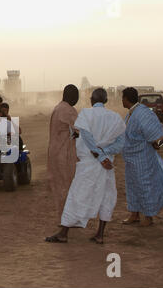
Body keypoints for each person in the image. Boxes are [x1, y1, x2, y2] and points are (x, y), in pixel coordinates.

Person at [46, 88, 126, 244]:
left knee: (76, 196)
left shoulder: (85, 114)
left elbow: (87, 137)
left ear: (91, 100)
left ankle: (63, 233)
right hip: (107, 165)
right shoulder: (116, 118)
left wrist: (99, 153)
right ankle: (100, 234)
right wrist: (105, 153)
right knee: (106, 197)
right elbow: (121, 143)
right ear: (106, 100)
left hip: (90, 162)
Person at [121, 87, 163, 227]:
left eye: (122, 98)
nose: (121, 101)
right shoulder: (131, 113)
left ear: (126, 99)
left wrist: (156, 146)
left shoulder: (143, 113)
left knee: (145, 186)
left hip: (143, 158)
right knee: (132, 187)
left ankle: (148, 216)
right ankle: (134, 214)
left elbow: (158, 137)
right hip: (131, 159)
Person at [46, 84, 79, 222]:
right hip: (63, 154)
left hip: (55, 152)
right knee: (67, 186)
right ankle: (67, 219)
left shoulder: (58, 108)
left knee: (60, 187)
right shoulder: (68, 110)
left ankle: (63, 218)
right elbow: (80, 129)